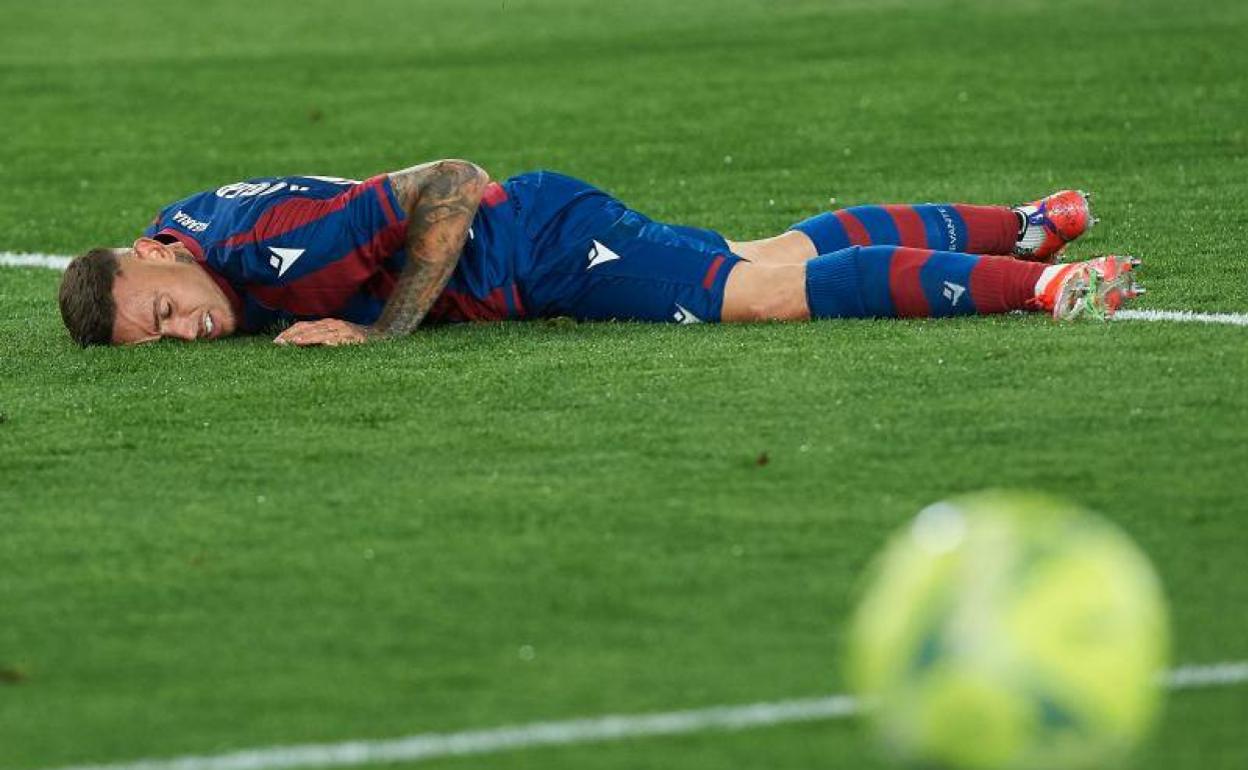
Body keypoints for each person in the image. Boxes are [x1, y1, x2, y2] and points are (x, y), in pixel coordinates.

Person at [56, 160, 1141, 347]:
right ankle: (1028, 224)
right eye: (166, 344)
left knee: (757, 294)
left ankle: (1042, 288)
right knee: (753, 250)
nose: (190, 329)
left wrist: (380, 329)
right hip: (544, 227)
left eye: (164, 311)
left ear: (152, 251)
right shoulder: (200, 234)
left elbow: (442, 181)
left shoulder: (258, 246)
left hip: (540, 247)